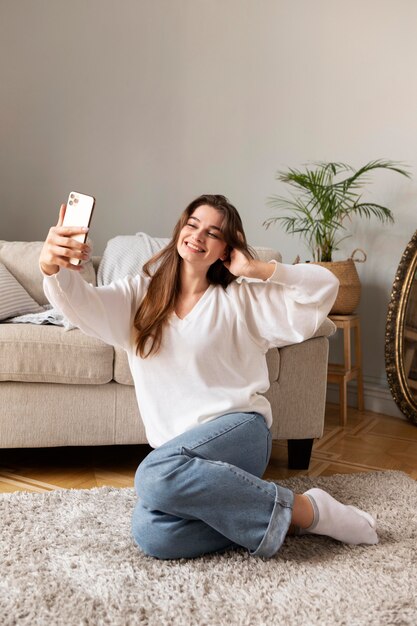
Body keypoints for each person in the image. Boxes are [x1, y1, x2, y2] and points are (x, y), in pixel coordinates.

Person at [39, 193, 378, 560]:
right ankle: (279, 519)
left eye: (213, 233)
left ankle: (309, 510)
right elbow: (79, 304)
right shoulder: (139, 295)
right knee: (152, 534)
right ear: (179, 231)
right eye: (192, 225)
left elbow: (324, 289)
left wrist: (257, 270)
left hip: (240, 433)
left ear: (226, 249)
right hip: (178, 455)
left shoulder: (244, 298)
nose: (198, 236)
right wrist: (51, 267)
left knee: (153, 476)